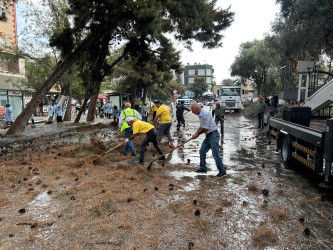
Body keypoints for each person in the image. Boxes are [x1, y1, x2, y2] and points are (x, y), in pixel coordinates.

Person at [190, 103, 226, 178]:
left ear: (197, 108)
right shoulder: (200, 115)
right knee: (202, 151)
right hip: (208, 136)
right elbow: (202, 127)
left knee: (215, 154)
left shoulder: (205, 114)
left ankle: (222, 171)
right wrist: (196, 133)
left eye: (193, 110)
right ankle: (203, 168)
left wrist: (197, 134)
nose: (192, 112)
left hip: (214, 135)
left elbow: (204, 128)